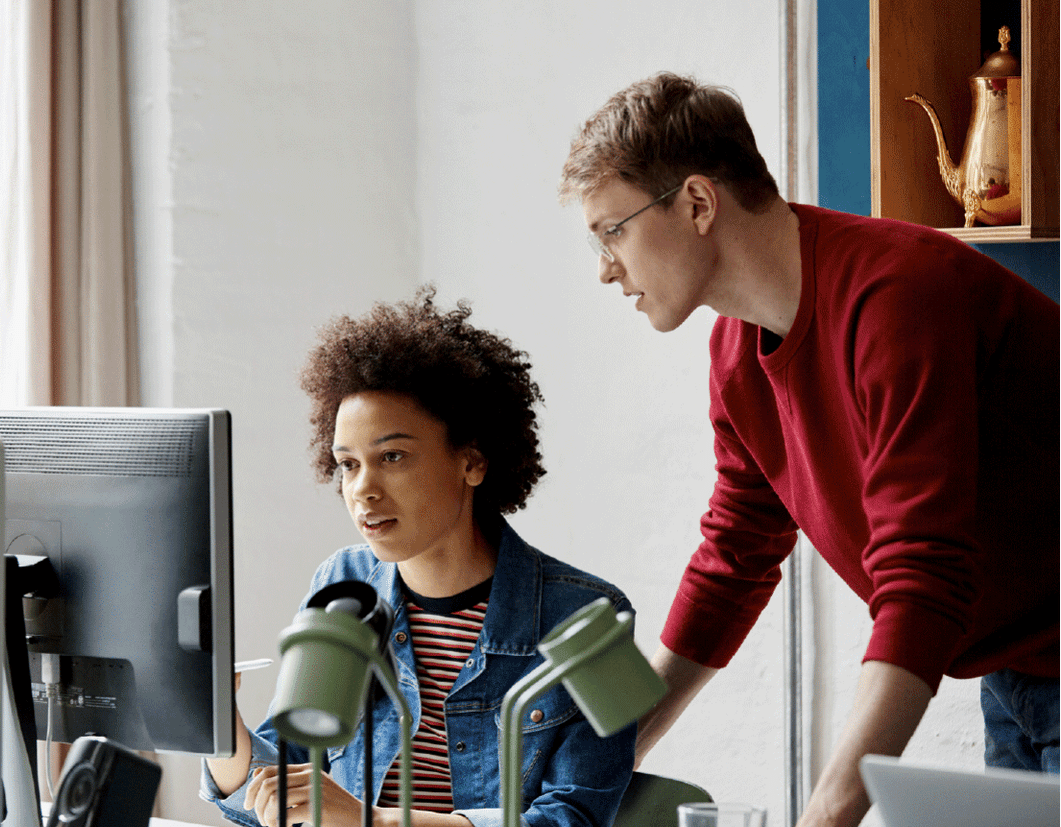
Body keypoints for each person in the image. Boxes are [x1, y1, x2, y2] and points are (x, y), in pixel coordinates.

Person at [557, 72, 1059, 827]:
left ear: (697, 203)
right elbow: (735, 554)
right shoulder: (736, 351)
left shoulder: (896, 297)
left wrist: (825, 813)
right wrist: (609, 754)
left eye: (611, 230)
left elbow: (924, 574)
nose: (604, 266)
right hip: (1018, 670)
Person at [201, 287, 637, 827]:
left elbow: (577, 818)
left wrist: (379, 823)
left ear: (472, 461)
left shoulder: (594, 618)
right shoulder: (342, 587)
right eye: (348, 464)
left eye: (392, 456)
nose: (362, 489)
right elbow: (283, 794)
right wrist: (214, 719)